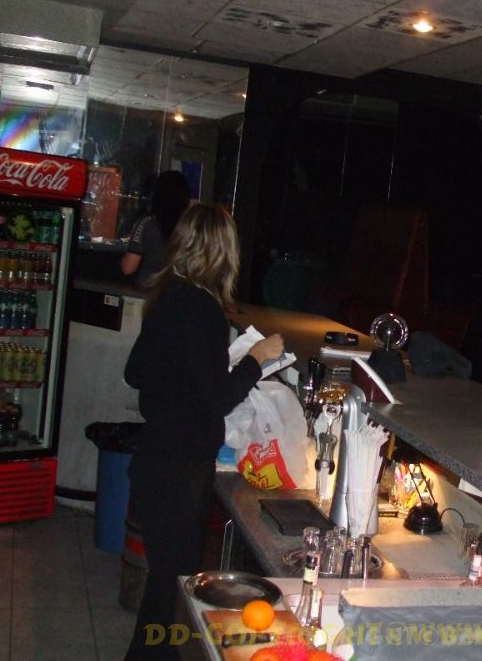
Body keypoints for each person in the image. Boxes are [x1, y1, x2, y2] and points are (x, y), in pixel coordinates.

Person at [123, 203, 284, 661]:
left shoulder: (168, 296)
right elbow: (218, 397)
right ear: (223, 253)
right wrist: (257, 359)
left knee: (166, 583)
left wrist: (189, 372)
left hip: (156, 457)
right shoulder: (202, 309)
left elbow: (137, 372)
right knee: (172, 585)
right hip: (178, 467)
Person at [121, 170, 191, 286]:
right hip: (177, 290)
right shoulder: (190, 225)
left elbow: (128, 268)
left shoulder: (147, 223)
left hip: (147, 288)